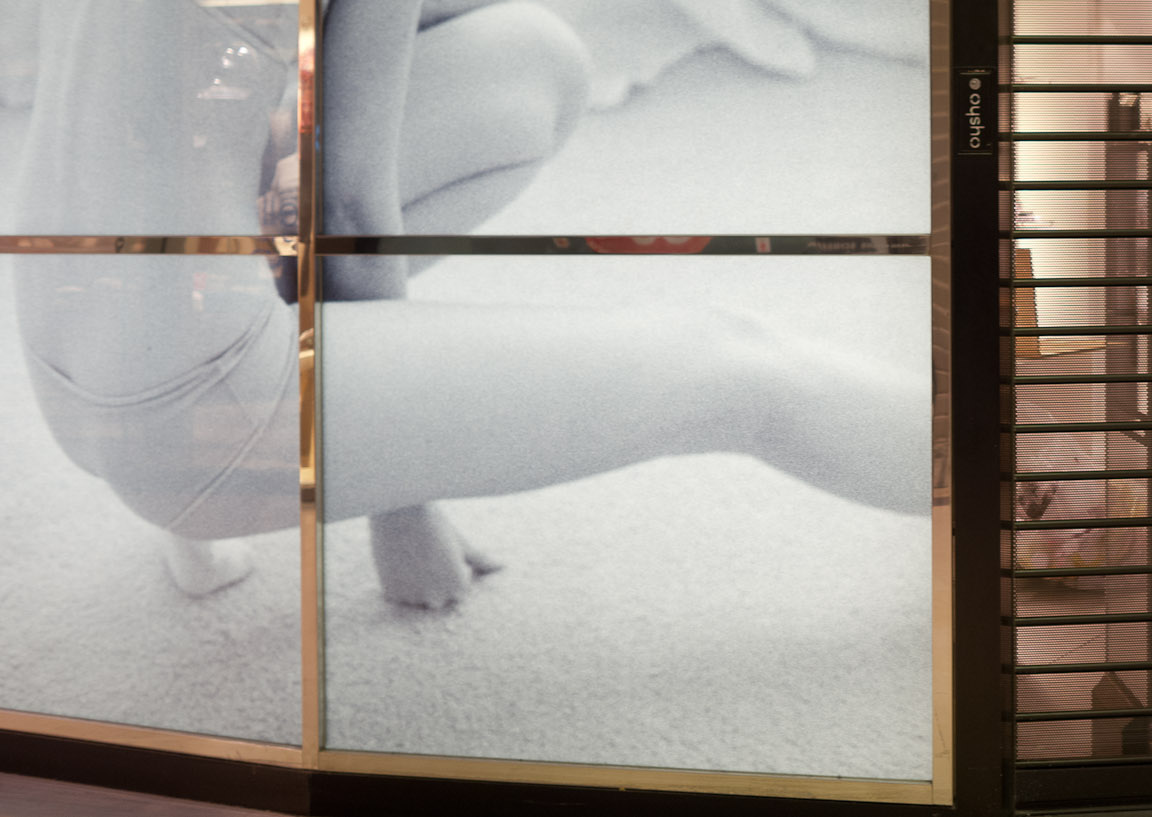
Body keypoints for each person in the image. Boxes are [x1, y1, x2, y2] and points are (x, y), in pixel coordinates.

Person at [8, 0, 926, 609]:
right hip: (197, 416)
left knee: (527, 59)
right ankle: (1044, 499)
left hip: (65, 344)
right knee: (735, 366)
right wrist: (401, 502)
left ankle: (192, 522)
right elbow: (352, 212)